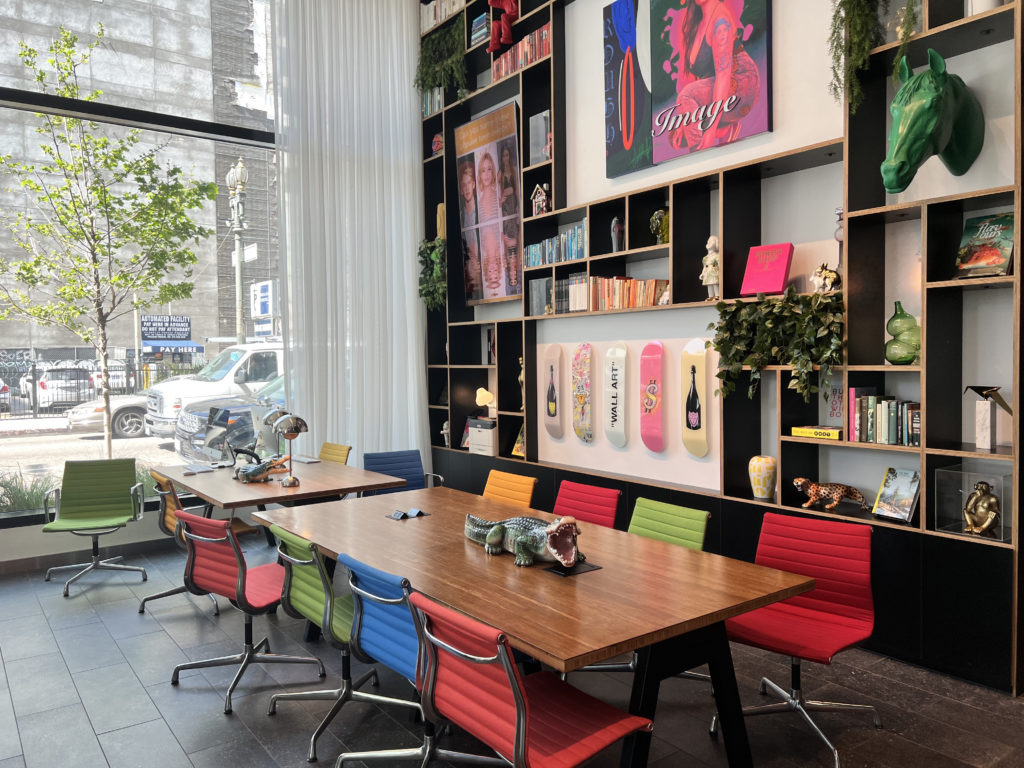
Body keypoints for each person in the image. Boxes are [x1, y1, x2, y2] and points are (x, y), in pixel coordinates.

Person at [676, 0, 759, 152]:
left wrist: (710, 131)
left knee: (685, 96)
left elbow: (723, 77)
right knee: (676, 134)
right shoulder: (698, 21)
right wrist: (685, 118)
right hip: (720, 86)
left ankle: (699, 157)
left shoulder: (720, 22)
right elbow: (703, 78)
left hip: (741, 83)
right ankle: (725, 128)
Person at [475, 150, 501, 223]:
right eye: (483, 170)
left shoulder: (498, 197)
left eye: (489, 169)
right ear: (480, 175)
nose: (486, 174)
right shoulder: (479, 204)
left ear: (492, 172)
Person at [498, 143, 519, 217]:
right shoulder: (500, 171)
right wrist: (500, 199)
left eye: (507, 155)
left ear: (509, 156)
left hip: (513, 202)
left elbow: (516, 188)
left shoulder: (514, 170)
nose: (505, 158)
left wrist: (518, 205)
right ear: (501, 158)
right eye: (503, 156)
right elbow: (495, 187)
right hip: (506, 204)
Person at [458, 160, 477, 229]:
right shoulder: (460, 215)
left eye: (469, 182)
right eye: (464, 185)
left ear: (474, 184)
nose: (467, 188)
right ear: (461, 190)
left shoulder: (480, 210)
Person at [700, 234, 720, 299]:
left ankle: (717, 295)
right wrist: (702, 273)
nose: (709, 243)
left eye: (711, 241)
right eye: (708, 241)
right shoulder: (705, 258)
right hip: (707, 272)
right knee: (709, 284)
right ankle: (710, 296)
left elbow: (720, 265)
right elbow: (704, 266)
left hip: (714, 271)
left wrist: (719, 272)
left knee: (714, 283)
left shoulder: (717, 256)